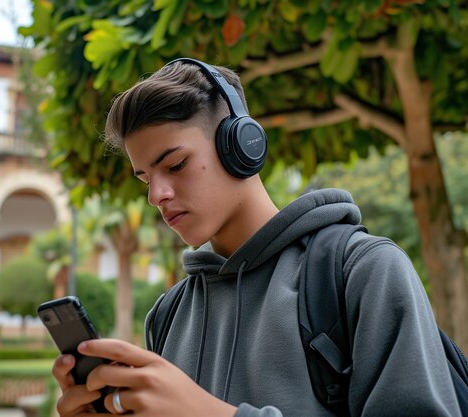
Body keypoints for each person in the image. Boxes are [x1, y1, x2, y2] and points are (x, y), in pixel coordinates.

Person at [52, 58, 462, 416]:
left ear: (241, 145)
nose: (156, 195)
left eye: (175, 165)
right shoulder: (169, 314)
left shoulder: (361, 271)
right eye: (145, 178)